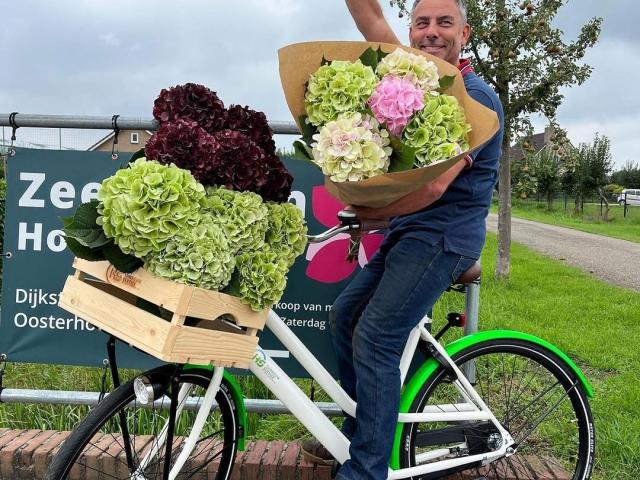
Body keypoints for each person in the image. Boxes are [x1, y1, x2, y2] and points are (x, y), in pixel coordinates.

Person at [302, 1, 505, 479]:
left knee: (376, 336)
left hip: (444, 237)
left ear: (465, 34)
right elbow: (372, 20)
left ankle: (366, 469)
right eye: (422, 23)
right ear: (412, 32)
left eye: (444, 23)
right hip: (409, 233)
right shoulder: (415, 82)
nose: (431, 33)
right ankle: (366, 429)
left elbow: (435, 188)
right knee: (345, 316)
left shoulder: (474, 98)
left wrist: (370, 215)